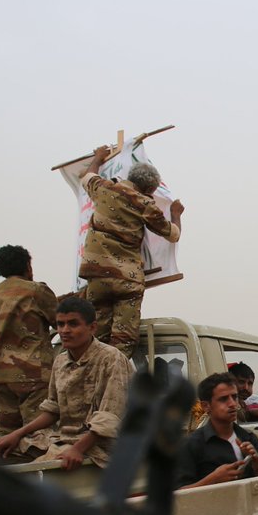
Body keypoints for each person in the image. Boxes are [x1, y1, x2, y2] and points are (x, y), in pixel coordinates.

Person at [0, 297, 130, 470]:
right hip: (63, 439)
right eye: (60, 324)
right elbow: (53, 409)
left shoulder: (111, 358)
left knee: (33, 471)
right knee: (2, 450)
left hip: (101, 447)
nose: (65, 330)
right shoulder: (60, 361)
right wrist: (17, 433)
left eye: (73, 324)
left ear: (92, 327)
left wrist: (76, 449)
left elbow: (109, 418)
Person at [79, 146, 185, 357]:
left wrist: (98, 159)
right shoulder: (145, 203)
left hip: (97, 276)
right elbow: (173, 234)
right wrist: (176, 214)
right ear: (150, 190)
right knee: (122, 342)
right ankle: (114, 382)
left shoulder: (104, 188)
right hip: (127, 280)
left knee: (95, 340)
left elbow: (87, 176)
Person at [0, 245, 58, 453]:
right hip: (32, 371)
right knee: (37, 434)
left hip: (1, 372)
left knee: (9, 435)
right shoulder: (35, 290)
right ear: (27, 265)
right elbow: (59, 318)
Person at [175, 372, 258, 489]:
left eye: (234, 397)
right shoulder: (191, 445)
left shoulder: (248, 438)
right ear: (206, 406)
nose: (232, 404)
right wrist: (213, 479)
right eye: (223, 399)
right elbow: (180, 495)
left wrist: (257, 463)